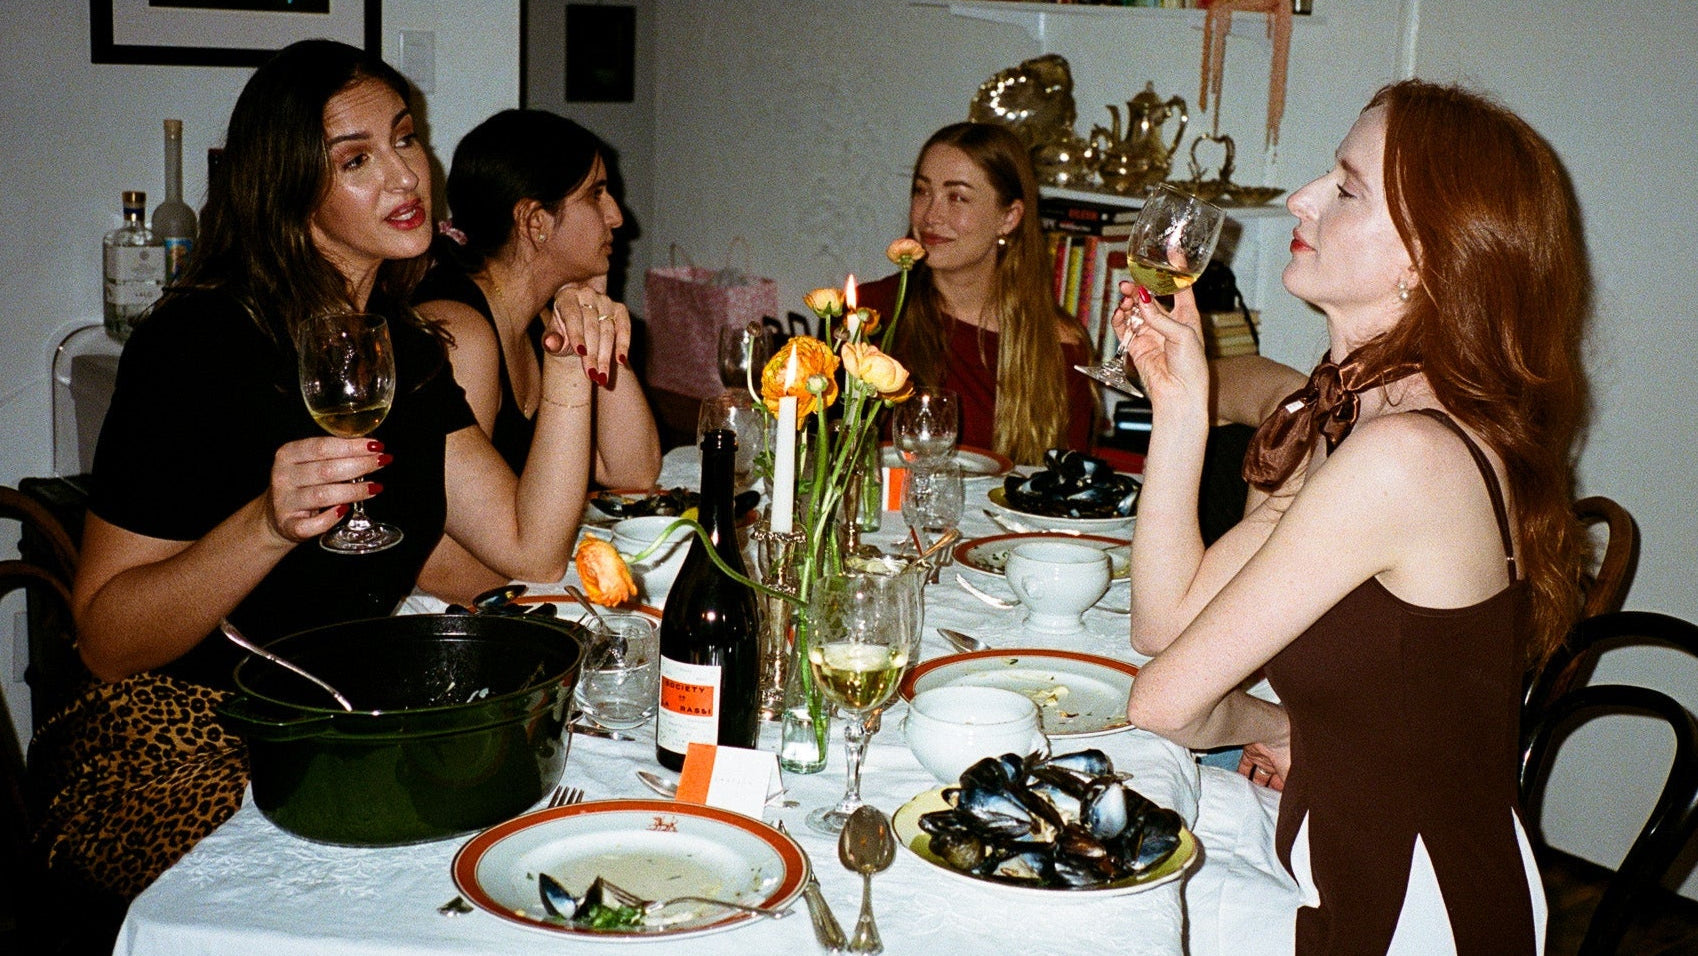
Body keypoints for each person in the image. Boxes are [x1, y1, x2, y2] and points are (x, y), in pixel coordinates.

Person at [39, 39, 613, 900]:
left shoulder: (408, 349)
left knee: (538, 855)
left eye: (405, 138)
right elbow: (108, 642)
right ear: (288, 188)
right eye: (356, 159)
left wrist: (571, 366)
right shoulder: (196, 346)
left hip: (339, 732)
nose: (404, 175)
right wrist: (265, 526)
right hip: (184, 742)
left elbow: (531, 549)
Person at [1119, 80, 1587, 952]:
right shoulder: (1363, 417)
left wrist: (1275, 726)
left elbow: (1163, 702)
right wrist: (1180, 411)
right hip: (1338, 854)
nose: (1303, 197)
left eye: (1345, 187)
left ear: (1426, 258)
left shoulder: (1402, 458)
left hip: (1414, 911)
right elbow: (1164, 622)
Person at [414, 109, 660, 603]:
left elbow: (632, 472)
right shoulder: (462, 335)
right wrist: (571, 574)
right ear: (535, 222)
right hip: (432, 616)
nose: (617, 216)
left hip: (513, 590)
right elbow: (436, 567)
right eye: (595, 194)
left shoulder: (540, 323)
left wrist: (596, 307)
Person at [859, 121, 1096, 466]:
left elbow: (1065, 490)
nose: (930, 215)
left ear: (1009, 218)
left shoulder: (1058, 344)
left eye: (957, 197)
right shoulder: (871, 314)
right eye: (922, 191)